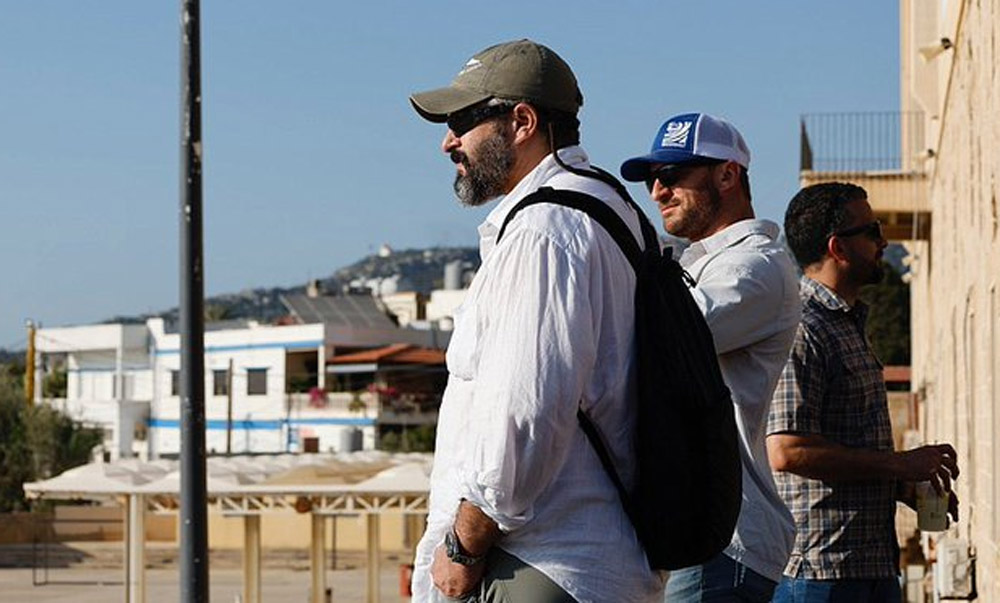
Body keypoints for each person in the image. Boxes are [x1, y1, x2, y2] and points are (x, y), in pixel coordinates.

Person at [407, 39, 665, 602]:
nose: (448, 142)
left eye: (462, 122)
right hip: (592, 557)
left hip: (539, 558)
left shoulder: (544, 231)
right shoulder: (612, 208)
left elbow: (523, 411)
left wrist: (462, 547)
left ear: (522, 122)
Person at [620, 113, 800, 601]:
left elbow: (654, 338)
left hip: (724, 536)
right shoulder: (707, 264)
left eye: (672, 175)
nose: (657, 191)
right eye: (652, 179)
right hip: (705, 531)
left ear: (727, 175)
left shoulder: (754, 267)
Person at [767, 182, 960, 602]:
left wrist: (904, 487)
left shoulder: (846, 323)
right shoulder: (804, 328)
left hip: (871, 565)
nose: (883, 242)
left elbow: (848, 445)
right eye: (872, 232)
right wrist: (898, 464)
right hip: (822, 575)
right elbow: (787, 451)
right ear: (838, 247)